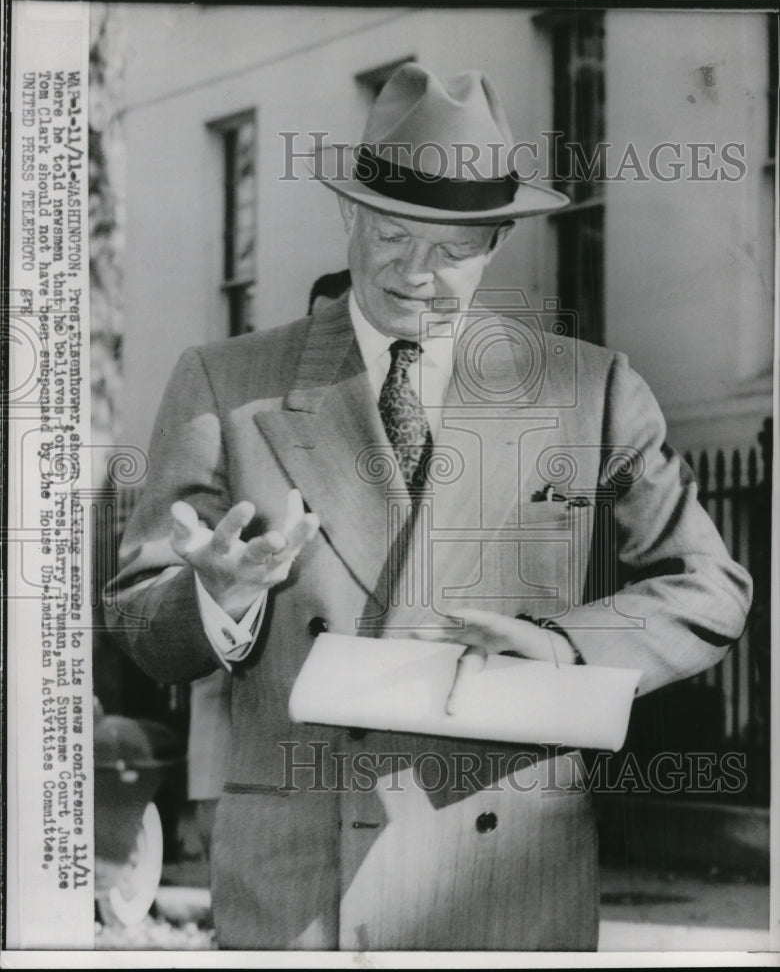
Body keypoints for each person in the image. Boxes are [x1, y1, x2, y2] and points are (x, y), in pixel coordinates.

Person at [106, 63, 751, 950]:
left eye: (454, 250)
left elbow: (708, 584)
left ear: (497, 241)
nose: (417, 274)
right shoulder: (226, 384)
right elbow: (141, 621)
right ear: (350, 216)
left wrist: (566, 646)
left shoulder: (586, 390)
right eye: (392, 235)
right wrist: (219, 595)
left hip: (506, 891)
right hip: (303, 894)